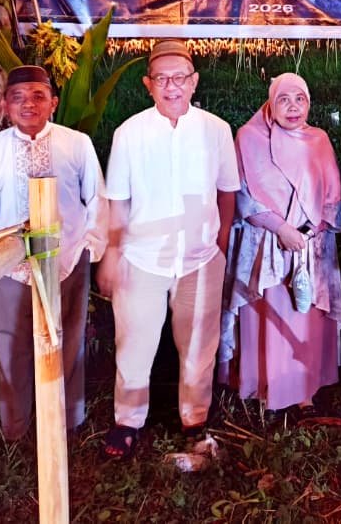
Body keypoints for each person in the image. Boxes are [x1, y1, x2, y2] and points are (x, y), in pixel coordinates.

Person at [98, 41, 239, 458]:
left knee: (198, 345)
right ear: (148, 85)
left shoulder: (216, 130)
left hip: (200, 259)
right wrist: (111, 253)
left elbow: (227, 192)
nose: (172, 87)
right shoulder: (130, 133)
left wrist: (221, 243)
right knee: (135, 344)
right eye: (162, 79)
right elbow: (117, 201)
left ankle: (194, 419)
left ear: (194, 82)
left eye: (181, 78)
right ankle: (128, 421)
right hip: (142, 258)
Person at [0, 65, 106, 443]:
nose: (29, 104)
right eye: (19, 97)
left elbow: (97, 199)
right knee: (11, 342)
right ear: (5, 106)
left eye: (39, 96)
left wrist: (88, 246)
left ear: (54, 103)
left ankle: (67, 421)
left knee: (67, 339)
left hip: (67, 258)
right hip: (9, 267)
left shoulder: (77, 144)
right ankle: (16, 427)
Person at [220, 73, 341, 415]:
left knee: (304, 314)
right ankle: (267, 387)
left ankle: (304, 390)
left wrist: (309, 229)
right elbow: (242, 194)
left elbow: (332, 194)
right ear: (270, 104)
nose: (293, 107)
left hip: (310, 246)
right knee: (270, 313)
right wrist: (282, 230)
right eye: (284, 100)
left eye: (300, 99)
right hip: (267, 245)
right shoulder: (248, 137)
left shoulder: (318, 139)